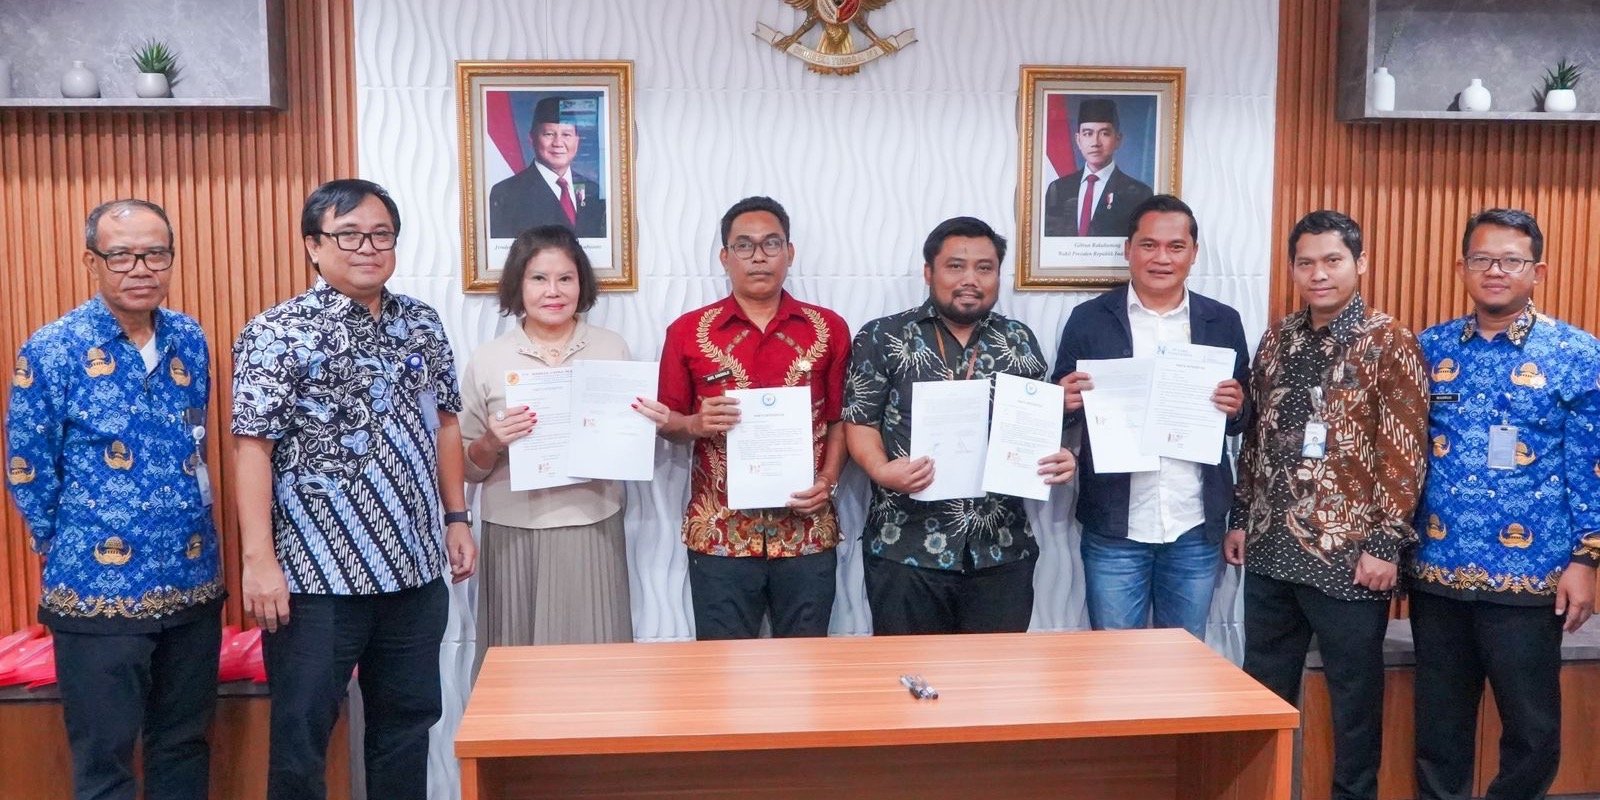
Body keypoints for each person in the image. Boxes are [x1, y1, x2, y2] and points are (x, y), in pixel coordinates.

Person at [231, 179, 477, 800]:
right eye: (348, 235)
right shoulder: (276, 331)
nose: (367, 247)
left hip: (413, 570)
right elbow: (252, 447)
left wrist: (457, 518)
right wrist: (259, 560)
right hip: (316, 578)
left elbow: (446, 424)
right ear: (313, 245)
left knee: (407, 725)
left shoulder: (421, 322)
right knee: (302, 734)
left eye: (380, 234)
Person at [6, 199, 222, 800]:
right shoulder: (53, 348)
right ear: (92, 262)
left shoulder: (188, 337)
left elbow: (195, 437)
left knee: (184, 745)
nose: (140, 268)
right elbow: (28, 465)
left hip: (191, 578)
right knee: (106, 760)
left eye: (155, 254)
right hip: (96, 590)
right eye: (122, 255)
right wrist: (62, 542)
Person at [1227, 210, 1429, 800]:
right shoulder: (1278, 337)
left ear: (1360, 263)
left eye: (1332, 260)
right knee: (1263, 691)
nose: (1319, 274)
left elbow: (1404, 450)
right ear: (1293, 269)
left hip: (1349, 557)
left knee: (1353, 699)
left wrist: (1385, 545)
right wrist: (1241, 517)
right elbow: (1258, 437)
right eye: (1306, 262)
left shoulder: (1389, 341)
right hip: (1270, 548)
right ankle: (1258, 791)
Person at [1411, 208, 1600, 800]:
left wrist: (1587, 559)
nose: (1495, 271)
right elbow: (1404, 458)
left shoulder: (1576, 353)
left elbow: (1592, 464)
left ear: (1537, 271)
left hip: (1531, 575)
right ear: (1461, 266)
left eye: (1511, 260)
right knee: (1439, 729)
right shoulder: (1429, 348)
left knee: (1531, 729)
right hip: (1438, 569)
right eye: (1482, 258)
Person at [844, 216, 1078, 635]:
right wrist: (880, 469)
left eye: (984, 268)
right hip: (906, 546)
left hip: (1001, 550)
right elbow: (860, 420)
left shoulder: (1019, 340)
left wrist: (1059, 457)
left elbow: (1032, 427)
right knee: (907, 673)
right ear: (928, 272)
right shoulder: (882, 336)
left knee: (992, 676)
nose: (970, 279)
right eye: (955, 266)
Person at [1051, 194, 1250, 640]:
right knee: (1114, 658)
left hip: (1193, 523)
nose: (1162, 258)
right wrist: (1062, 400)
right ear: (1128, 250)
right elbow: (1058, 410)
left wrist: (1237, 406)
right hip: (1115, 526)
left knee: (1184, 656)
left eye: (1176, 247)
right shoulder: (1089, 319)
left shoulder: (1222, 321)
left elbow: (1242, 417)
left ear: (1193, 253)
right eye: (1149, 245)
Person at [459, 224, 668, 648]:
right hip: (513, 528)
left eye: (565, 278)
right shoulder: (488, 358)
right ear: (518, 284)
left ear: (581, 284)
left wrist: (651, 425)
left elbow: (627, 444)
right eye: (539, 278)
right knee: (517, 660)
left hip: (593, 522)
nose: (552, 291)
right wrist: (491, 442)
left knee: (593, 659)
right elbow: (465, 465)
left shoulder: (612, 348)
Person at [656, 196, 851, 640]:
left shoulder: (827, 328)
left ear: (790, 253)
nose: (759, 256)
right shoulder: (688, 332)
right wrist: (694, 424)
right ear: (725, 257)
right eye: (744, 245)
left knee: (807, 666)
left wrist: (829, 480)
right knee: (722, 668)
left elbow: (840, 420)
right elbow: (667, 421)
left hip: (807, 530)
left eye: (771, 244)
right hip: (719, 534)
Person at [488, 95, 607, 239]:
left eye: (566, 134)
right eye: (549, 134)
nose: (558, 143)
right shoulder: (506, 194)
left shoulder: (592, 190)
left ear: (577, 140)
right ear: (532, 138)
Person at [1042, 98, 1155, 238]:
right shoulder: (1058, 188)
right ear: (1078, 140)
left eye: (1104, 133)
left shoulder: (1139, 194)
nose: (1095, 142)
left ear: (1118, 140)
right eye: (1088, 133)